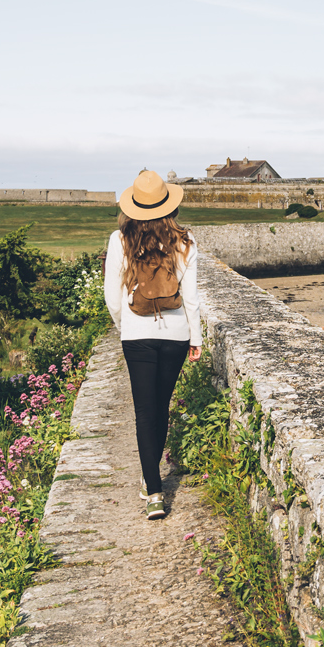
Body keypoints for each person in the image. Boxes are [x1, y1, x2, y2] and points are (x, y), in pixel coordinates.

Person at [104, 169, 200, 520]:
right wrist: (197, 337)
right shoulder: (185, 241)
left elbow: (112, 298)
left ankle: (154, 492)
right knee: (161, 407)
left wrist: (123, 327)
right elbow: (191, 298)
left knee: (145, 411)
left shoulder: (120, 240)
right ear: (169, 205)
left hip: (137, 335)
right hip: (175, 335)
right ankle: (150, 479)